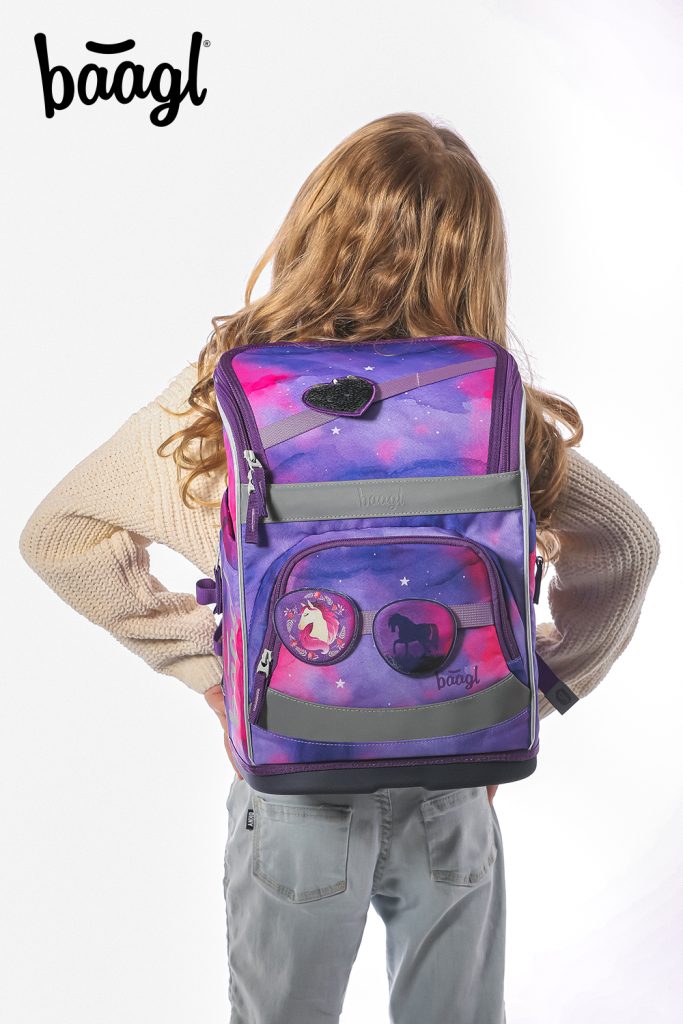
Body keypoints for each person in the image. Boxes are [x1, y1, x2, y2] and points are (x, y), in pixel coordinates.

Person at [18, 112, 660, 1024]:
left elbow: (59, 532)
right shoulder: (489, 409)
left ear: (315, 226)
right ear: (475, 258)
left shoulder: (225, 396)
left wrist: (213, 671)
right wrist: (537, 691)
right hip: (453, 768)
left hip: (295, 776)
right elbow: (628, 546)